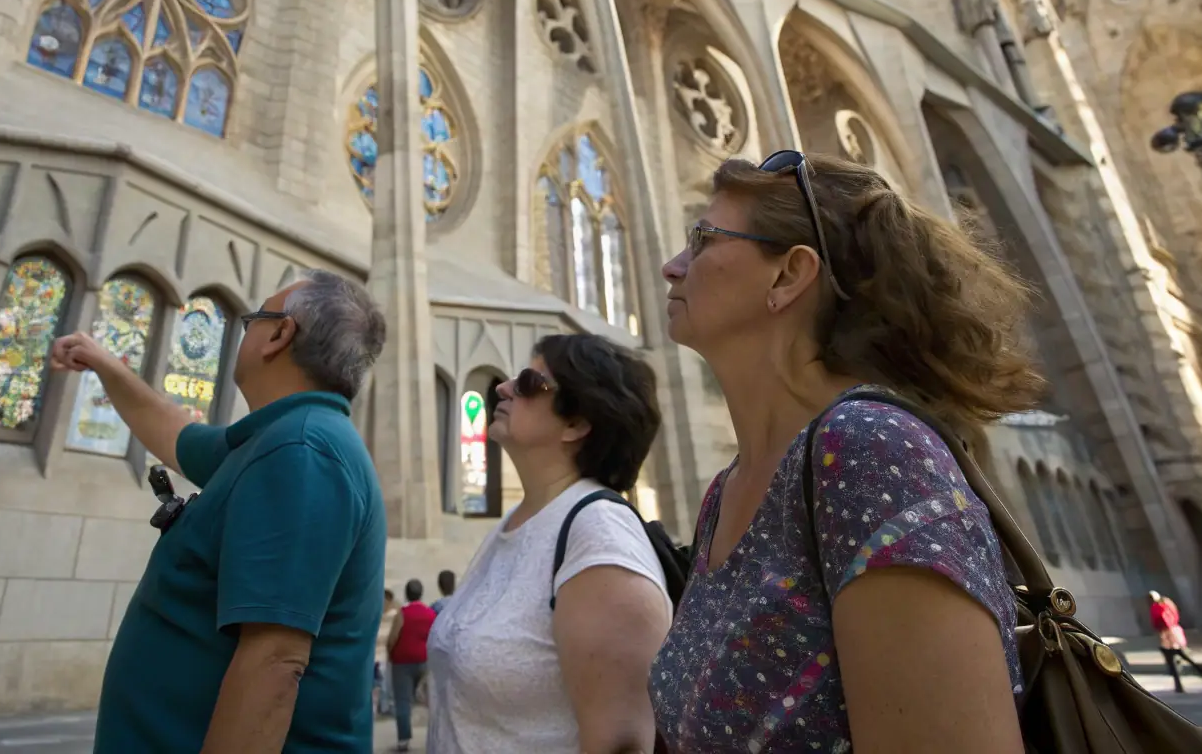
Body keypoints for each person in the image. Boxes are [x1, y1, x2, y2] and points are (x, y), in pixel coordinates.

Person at [654, 152, 1034, 753]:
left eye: (702, 240)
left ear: (788, 276)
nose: (673, 267)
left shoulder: (868, 451)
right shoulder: (730, 490)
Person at [50, 269, 388, 754]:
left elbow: (274, 662)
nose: (245, 329)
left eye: (254, 318)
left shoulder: (303, 451)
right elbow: (173, 433)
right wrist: (105, 363)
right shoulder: (272, 441)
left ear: (279, 334)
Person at [427, 333, 672, 754]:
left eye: (528, 383)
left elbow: (620, 742)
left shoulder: (600, 539)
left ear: (577, 423)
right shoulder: (517, 521)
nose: (503, 387)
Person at [386, 578, 437, 751]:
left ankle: (404, 740)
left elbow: (393, 637)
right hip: (424, 661)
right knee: (430, 700)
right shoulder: (430, 613)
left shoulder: (402, 613)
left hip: (402, 662)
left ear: (406, 593)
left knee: (403, 701)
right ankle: (436, 734)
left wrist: (390, 652)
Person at [1150, 589, 1200, 692]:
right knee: (1181, 658)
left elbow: (1161, 620)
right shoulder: (1168, 604)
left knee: (1173, 661)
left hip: (1168, 636)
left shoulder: (1158, 607)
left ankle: (1179, 686)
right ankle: (1179, 686)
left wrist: (1162, 632)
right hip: (1174, 633)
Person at [376, 589, 398, 717]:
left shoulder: (393, 615)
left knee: (384, 682)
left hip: (384, 653)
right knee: (380, 682)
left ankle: (384, 706)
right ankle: (381, 706)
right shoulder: (378, 614)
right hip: (377, 653)